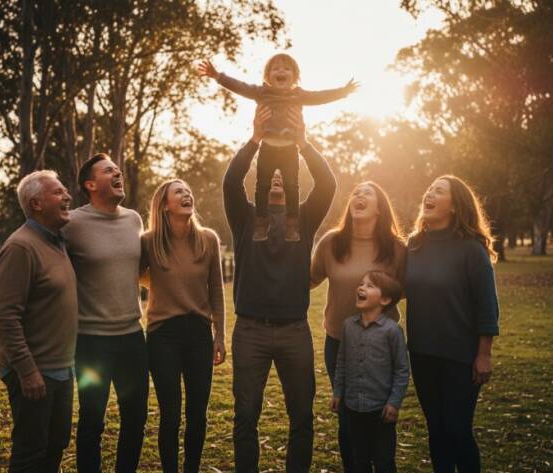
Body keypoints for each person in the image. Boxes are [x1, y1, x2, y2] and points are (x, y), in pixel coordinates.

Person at [224, 105, 336, 473]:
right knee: (245, 417)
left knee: (301, 417)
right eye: (268, 173)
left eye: (281, 174)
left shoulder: (303, 219)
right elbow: (231, 183)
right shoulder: (245, 218)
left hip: (294, 331)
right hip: (250, 331)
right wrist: (255, 141)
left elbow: (327, 185)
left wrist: (303, 144)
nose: (275, 177)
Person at [199, 53, 357, 242]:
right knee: (262, 186)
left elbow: (320, 96)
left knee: (292, 186)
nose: (281, 71)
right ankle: (260, 224)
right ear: (268, 77)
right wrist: (218, 76)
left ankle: (292, 226)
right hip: (267, 147)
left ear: (295, 77)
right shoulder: (261, 93)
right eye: (276, 68)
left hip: (290, 149)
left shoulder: (299, 95)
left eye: (286, 68)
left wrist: (343, 92)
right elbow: (240, 87)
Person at [405, 175, 500, 473]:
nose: (429, 194)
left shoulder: (471, 249)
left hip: (460, 357)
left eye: (438, 191)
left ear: (456, 206)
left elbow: (487, 305)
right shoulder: (414, 244)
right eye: (429, 189)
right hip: (421, 353)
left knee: (457, 430)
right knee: (436, 430)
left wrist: (483, 354)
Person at [310, 181, 407, 472]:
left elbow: (407, 289)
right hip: (340, 343)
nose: (359, 195)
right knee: (348, 418)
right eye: (356, 193)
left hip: (382, 346)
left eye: (367, 193)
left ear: (379, 208)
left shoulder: (396, 249)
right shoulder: (331, 242)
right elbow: (309, 279)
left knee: (381, 417)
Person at [62, 154, 148, 473]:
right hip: (91, 342)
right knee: (92, 420)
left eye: (117, 169)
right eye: (109, 170)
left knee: (136, 418)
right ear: (90, 184)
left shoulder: (134, 220)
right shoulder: (71, 223)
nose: (118, 172)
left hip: (132, 338)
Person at [0, 170, 78, 472]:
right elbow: (4, 316)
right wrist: (27, 371)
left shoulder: (58, 241)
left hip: (62, 369)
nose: (67, 196)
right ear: (36, 203)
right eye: (58, 192)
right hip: (35, 373)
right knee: (30, 455)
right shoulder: (21, 247)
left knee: (55, 447)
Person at [140, 179, 226, 473]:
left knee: (197, 414)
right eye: (179, 192)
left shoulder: (208, 239)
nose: (187, 194)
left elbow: (216, 291)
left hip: (199, 334)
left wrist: (220, 335)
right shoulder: (148, 242)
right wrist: (161, 284)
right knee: (171, 415)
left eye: (188, 190)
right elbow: (133, 274)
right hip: (162, 335)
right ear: (165, 205)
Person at [330, 270, 410, 473]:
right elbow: (341, 362)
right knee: (360, 460)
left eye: (369, 286)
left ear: (385, 299)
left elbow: (401, 370)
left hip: (381, 410)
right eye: (361, 283)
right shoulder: (348, 326)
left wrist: (394, 403)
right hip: (354, 408)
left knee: (383, 462)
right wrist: (338, 392)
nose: (361, 287)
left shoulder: (392, 331)